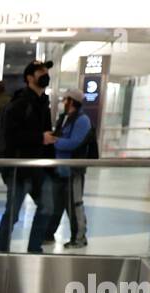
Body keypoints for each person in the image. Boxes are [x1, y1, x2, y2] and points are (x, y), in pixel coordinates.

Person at [0, 61, 56, 254]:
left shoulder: (43, 103)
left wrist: (51, 163)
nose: (45, 74)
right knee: (12, 214)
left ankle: (34, 248)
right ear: (30, 78)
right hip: (18, 169)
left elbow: (46, 134)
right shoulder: (19, 103)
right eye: (40, 72)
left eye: (46, 71)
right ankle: (1, 252)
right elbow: (11, 136)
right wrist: (40, 138)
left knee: (47, 207)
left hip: (39, 168)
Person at [45, 87, 92, 248]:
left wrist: (55, 142)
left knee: (75, 205)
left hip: (73, 170)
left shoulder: (82, 120)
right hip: (59, 170)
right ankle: (48, 234)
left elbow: (74, 143)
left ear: (72, 101)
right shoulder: (65, 118)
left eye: (65, 99)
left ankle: (79, 238)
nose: (63, 102)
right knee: (56, 205)